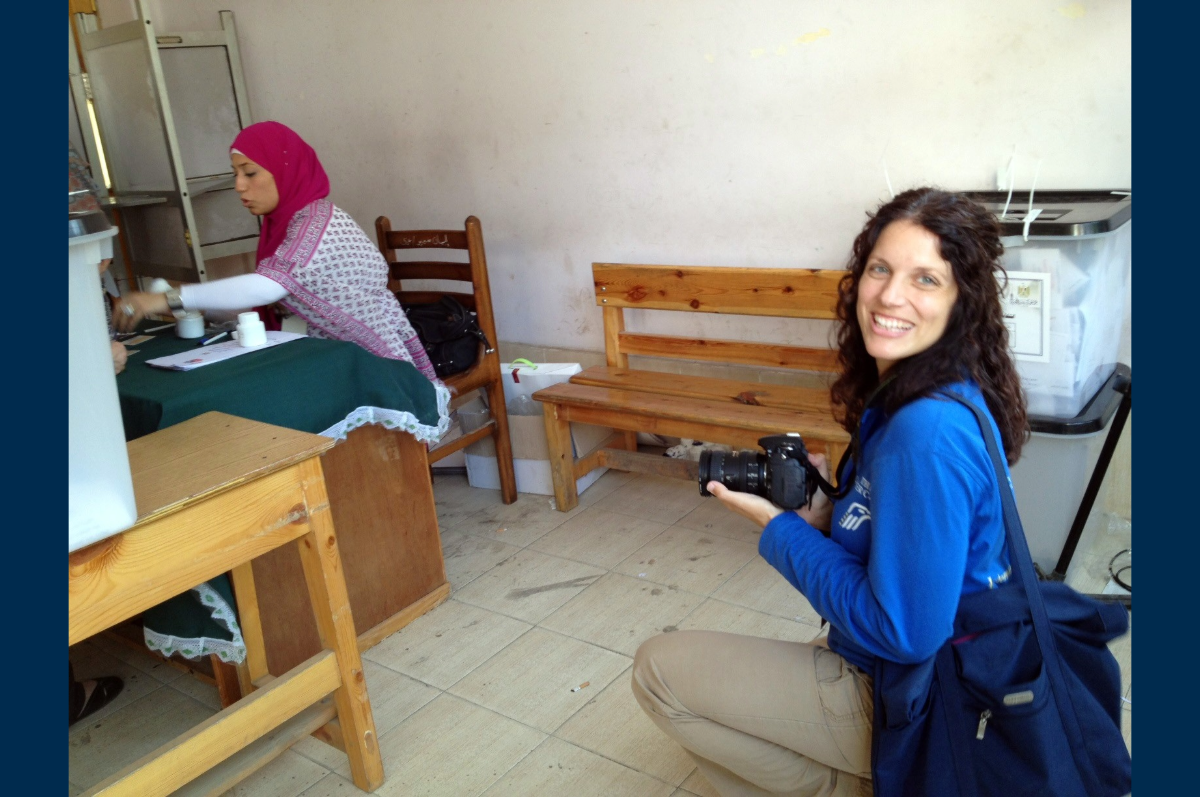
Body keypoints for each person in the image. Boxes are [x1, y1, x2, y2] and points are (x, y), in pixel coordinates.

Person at [631, 188, 1029, 797]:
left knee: (657, 671)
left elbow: (906, 634)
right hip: (946, 663)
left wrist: (779, 529)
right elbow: (905, 538)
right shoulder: (933, 387)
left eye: (925, 279)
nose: (890, 296)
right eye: (880, 269)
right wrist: (826, 515)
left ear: (961, 303)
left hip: (917, 691)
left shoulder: (923, 433)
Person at [111, 121, 438, 382]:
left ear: (285, 170)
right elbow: (262, 297)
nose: (239, 185)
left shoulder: (316, 223)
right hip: (337, 356)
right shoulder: (283, 223)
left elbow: (269, 286)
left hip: (374, 363)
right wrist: (193, 307)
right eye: (235, 173)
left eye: (250, 173)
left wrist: (168, 299)